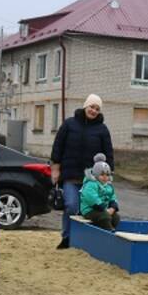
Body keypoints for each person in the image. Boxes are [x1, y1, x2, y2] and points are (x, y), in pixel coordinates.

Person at [50, 94, 114, 249]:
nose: (94, 111)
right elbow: (58, 146)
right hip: (70, 176)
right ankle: (67, 237)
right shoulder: (69, 124)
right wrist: (55, 169)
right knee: (71, 206)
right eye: (92, 107)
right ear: (86, 106)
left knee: (90, 209)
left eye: (97, 109)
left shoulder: (102, 129)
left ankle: (83, 240)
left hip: (92, 181)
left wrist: (109, 175)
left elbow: (108, 154)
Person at [80, 157, 120, 231]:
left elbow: (112, 197)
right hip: (90, 210)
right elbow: (92, 198)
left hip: (103, 209)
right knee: (105, 217)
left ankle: (112, 228)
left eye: (107, 175)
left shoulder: (108, 185)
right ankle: (108, 231)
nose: (105, 177)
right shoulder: (91, 184)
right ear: (96, 175)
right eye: (102, 174)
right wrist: (104, 208)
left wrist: (113, 207)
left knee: (116, 217)